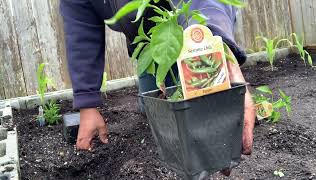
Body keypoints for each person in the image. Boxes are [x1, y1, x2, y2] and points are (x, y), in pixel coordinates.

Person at [60, 0, 256, 155]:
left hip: (191, 35)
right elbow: (79, 18)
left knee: (204, 112)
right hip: (148, 44)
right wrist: (87, 102)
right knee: (154, 113)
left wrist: (217, 50)